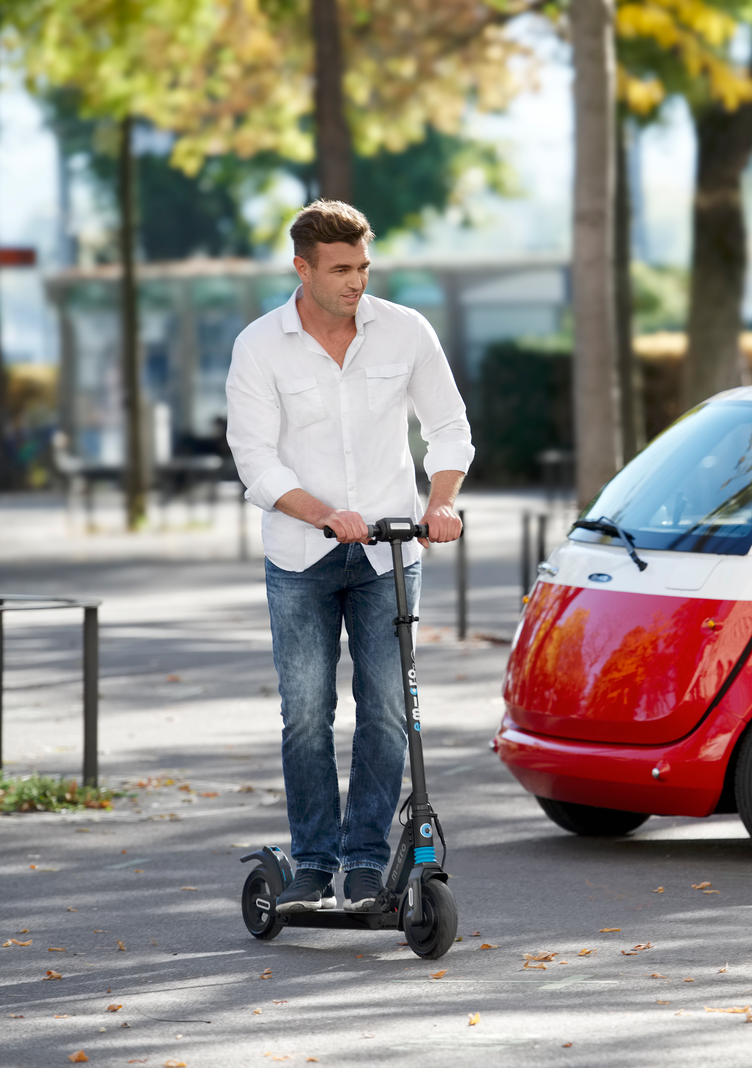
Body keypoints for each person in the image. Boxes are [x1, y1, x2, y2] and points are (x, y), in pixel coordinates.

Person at [226, 200, 473, 914]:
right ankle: (312, 861)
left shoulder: (404, 332)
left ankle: (365, 864)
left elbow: (448, 425)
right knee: (307, 713)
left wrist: (444, 500)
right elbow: (255, 460)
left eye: (363, 266)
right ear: (301, 268)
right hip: (301, 554)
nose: (356, 281)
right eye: (340, 269)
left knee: (388, 711)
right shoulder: (260, 346)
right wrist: (323, 513)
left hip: (389, 556)